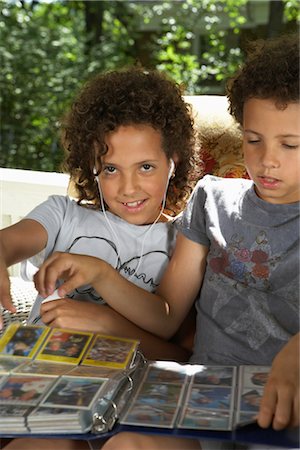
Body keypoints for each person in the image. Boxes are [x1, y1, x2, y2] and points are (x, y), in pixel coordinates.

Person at [10, 33, 298, 450]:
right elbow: (165, 314)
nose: (267, 159)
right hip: (197, 397)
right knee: (125, 444)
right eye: (253, 139)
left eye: (290, 144)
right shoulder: (210, 201)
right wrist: (100, 273)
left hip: (284, 408)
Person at [0, 66, 198, 366]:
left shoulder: (186, 244)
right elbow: (7, 243)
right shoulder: (62, 216)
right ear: (91, 166)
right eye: (110, 169)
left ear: (173, 162)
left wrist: (105, 321)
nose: (128, 188)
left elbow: (182, 357)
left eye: (145, 167)